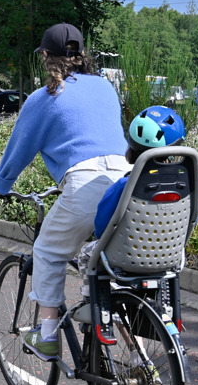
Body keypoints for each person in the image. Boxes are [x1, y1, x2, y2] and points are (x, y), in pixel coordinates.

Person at [0, 23, 129, 360]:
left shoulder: (44, 97)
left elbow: (18, 152)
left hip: (84, 188)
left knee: (47, 253)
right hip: (124, 184)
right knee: (106, 268)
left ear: (46, 56)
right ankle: (137, 357)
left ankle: (46, 336)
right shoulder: (105, 87)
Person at [79, 106, 188, 272]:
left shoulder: (125, 186)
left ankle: (91, 297)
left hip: (126, 253)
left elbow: (102, 223)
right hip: (170, 255)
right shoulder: (184, 189)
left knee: (86, 255)